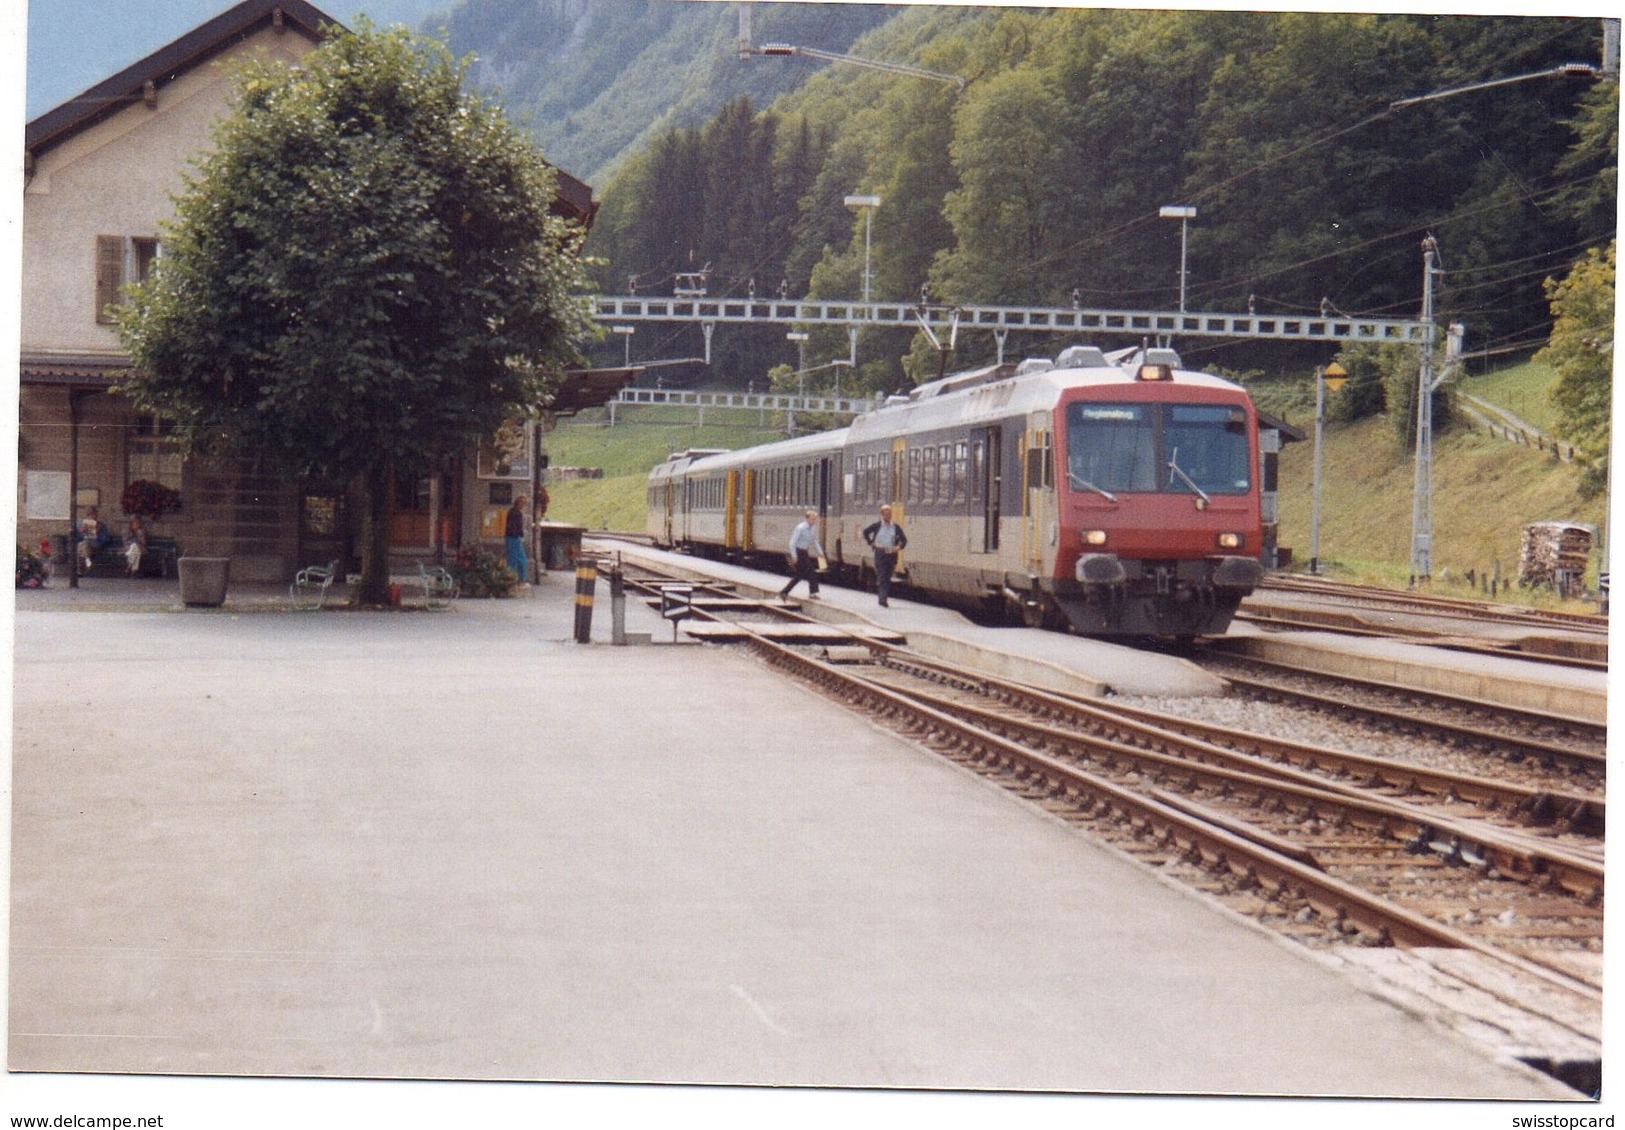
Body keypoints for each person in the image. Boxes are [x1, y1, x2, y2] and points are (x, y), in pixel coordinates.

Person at [862, 504, 908, 607]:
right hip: (880, 553)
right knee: (882, 576)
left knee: (887, 577)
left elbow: (904, 540)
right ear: (882, 514)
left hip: (891, 554)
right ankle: (882, 599)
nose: (888, 516)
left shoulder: (895, 527)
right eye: (886, 514)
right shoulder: (877, 526)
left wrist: (898, 547)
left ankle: (883, 596)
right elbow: (865, 532)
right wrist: (871, 543)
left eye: (890, 514)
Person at [779, 509, 824, 599]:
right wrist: (794, 555)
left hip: (804, 552)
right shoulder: (800, 528)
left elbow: (814, 541)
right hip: (798, 552)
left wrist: (820, 552)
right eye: (812, 519)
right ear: (807, 519)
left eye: (815, 519)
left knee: (799, 575)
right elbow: (792, 542)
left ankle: (784, 592)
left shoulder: (812, 529)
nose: (814, 521)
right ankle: (813, 593)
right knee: (811, 572)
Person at [505, 495, 529, 582]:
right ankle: (519, 579)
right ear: (520, 503)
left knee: (515, 559)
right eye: (524, 503)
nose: (525, 505)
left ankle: (512, 578)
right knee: (519, 559)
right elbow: (517, 527)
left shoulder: (511, 511)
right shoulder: (517, 513)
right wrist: (520, 536)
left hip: (511, 537)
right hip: (514, 538)